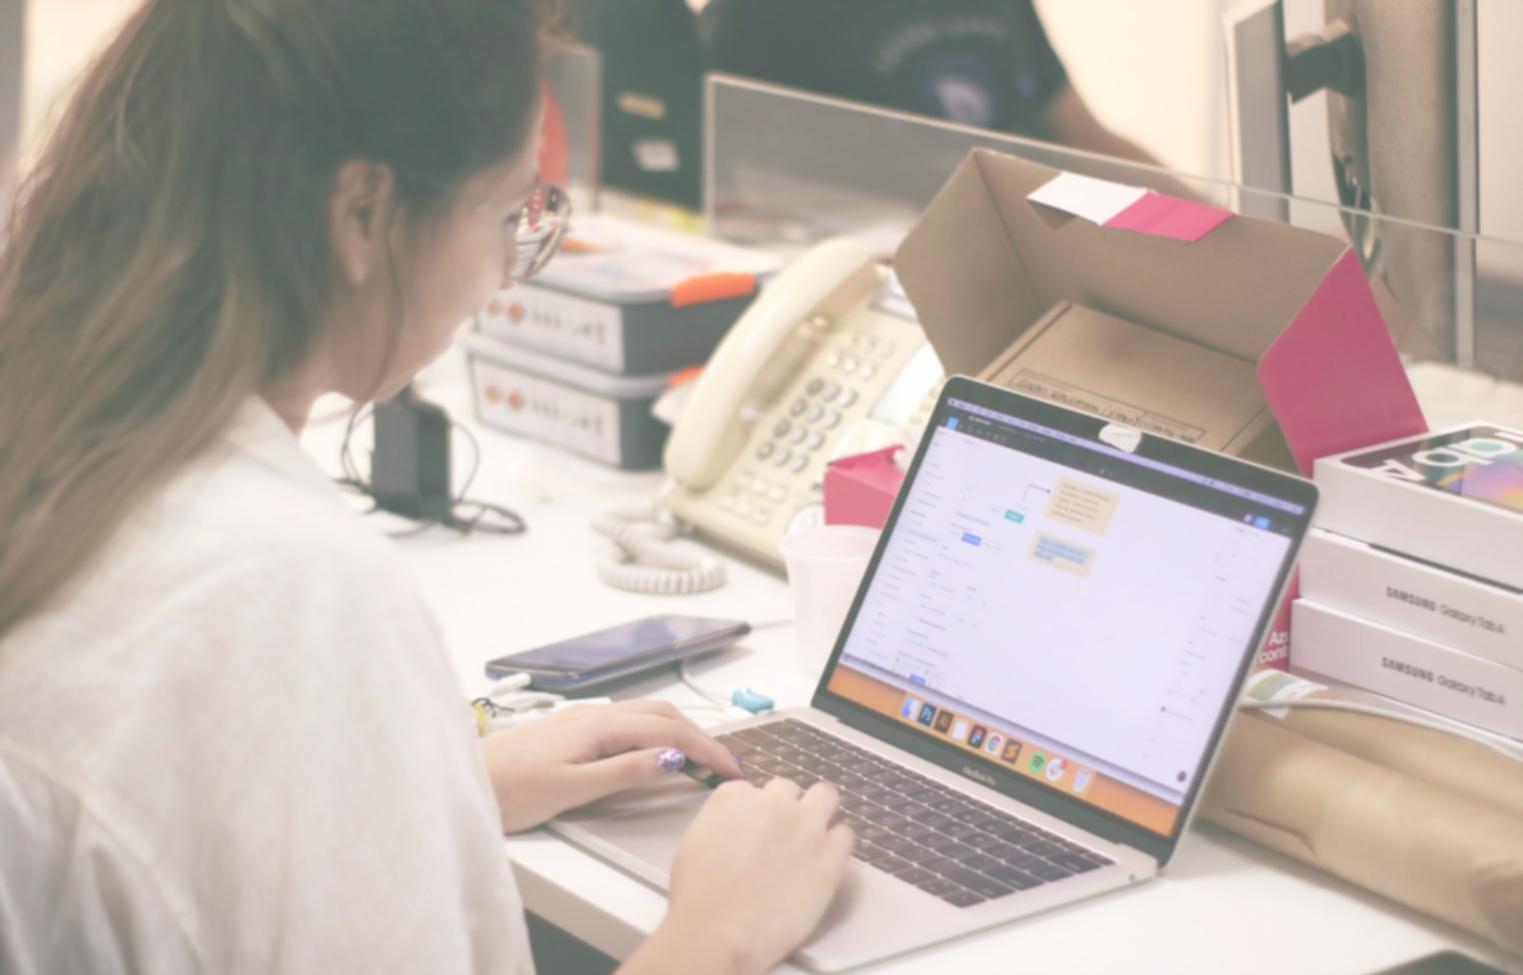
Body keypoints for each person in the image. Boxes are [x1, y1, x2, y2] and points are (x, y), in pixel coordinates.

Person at [0, 2, 853, 973]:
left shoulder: (62, 426)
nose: (502, 277)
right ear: (363, 215)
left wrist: (427, 784)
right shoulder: (284, 584)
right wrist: (720, 936)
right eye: (508, 214)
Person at [700, 0, 1164, 170]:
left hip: (1038, 253)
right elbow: (743, 198)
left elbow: (1084, 136)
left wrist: (1223, 224)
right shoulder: (755, 17)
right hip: (896, 289)